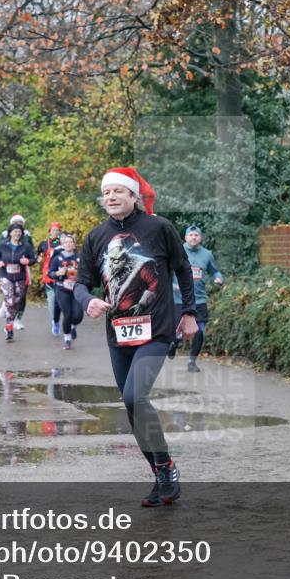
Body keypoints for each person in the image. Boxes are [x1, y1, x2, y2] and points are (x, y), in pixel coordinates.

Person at [74, 167, 197, 507]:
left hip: (156, 329)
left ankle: (165, 467)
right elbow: (81, 283)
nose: (111, 197)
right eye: (107, 193)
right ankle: (162, 475)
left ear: (133, 197)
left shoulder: (158, 228)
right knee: (133, 410)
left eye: (118, 192)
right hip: (118, 333)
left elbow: (183, 268)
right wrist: (89, 300)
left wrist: (189, 313)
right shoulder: (96, 236)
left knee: (134, 397)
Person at [169, 225, 224, 372]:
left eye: (196, 235)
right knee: (178, 332)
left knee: (200, 331)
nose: (193, 237)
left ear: (200, 238)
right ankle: (174, 344)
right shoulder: (176, 251)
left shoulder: (207, 254)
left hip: (199, 300)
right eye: (191, 235)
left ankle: (192, 362)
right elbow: (164, 272)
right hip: (178, 300)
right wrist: (172, 285)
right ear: (185, 237)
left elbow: (215, 271)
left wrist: (218, 278)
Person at [0, 223, 35, 341]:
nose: (17, 234)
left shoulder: (26, 246)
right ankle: (9, 327)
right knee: (11, 300)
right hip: (5, 275)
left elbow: (33, 259)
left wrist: (27, 261)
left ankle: (6, 308)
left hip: (20, 276)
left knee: (17, 300)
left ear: (22, 233)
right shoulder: (3, 245)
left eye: (19, 232)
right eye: (14, 231)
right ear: (10, 233)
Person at [49, 233, 83, 350]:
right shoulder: (57, 258)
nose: (69, 244)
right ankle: (67, 339)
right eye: (66, 242)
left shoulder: (79, 258)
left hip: (76, 289)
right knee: (67, 314)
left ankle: (74, 325)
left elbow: (86, 273)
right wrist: (58, 273)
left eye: (71, 242)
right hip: (61, 289)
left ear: (74, 244)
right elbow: (50, 273)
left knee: (78, 315)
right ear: (63, 245)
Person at [37, 221, 64, 335]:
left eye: (57, 230)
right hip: (48, 274)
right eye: (53, 230)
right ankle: (55, 321)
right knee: (51, 300)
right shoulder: (43, 244)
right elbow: (37, 255)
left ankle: (68, 322)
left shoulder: (63, 243)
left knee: (62, 300)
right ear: (49, 231)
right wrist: (37, 259)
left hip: (61, 274)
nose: (55, 232)